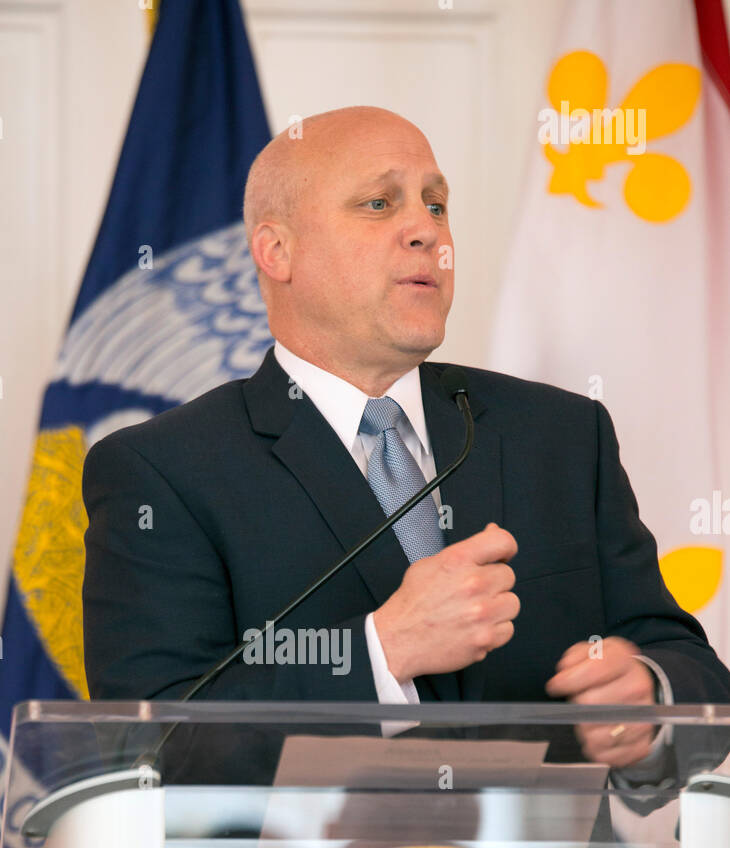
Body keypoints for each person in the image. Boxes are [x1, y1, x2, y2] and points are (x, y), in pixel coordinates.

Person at [82, 105, 730, 775]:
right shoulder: (161, 471)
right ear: (278, 251)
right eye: (378, 203)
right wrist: (382, 654)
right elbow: (150, 745)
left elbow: (689, 669)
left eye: (437, 205)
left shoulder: (563, 436)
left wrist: (650, 695)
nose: (426, 230)